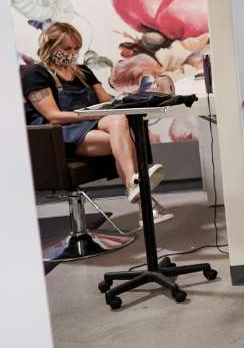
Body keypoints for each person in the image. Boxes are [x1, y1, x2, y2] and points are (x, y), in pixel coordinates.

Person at [23, 23, 172, 223]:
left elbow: (106, 101)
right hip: (59, 137)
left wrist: (137, 96)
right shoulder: (36, 74)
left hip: (91, 127)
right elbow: (54, 116)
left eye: (76, 48)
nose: (72, 53)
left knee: (120, 122)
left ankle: (133, 185)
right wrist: (93, 114)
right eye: (67, 49)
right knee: (125, 138)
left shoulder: (83, 72)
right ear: (49, 46)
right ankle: (144, 200)